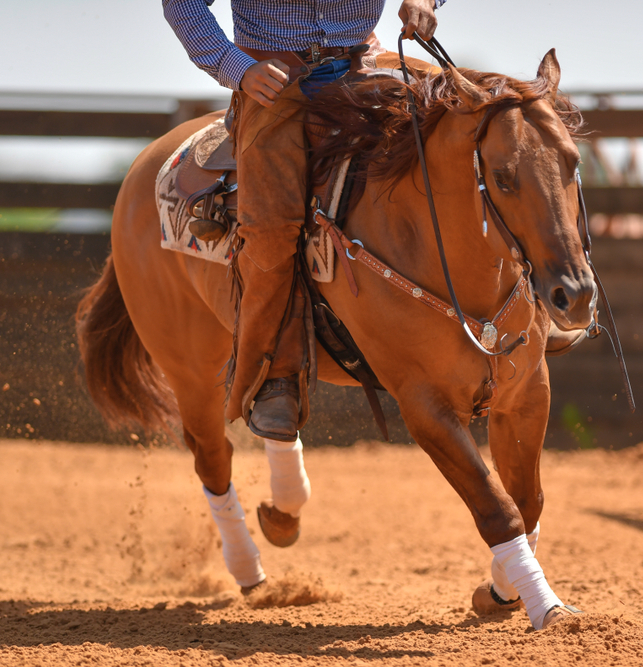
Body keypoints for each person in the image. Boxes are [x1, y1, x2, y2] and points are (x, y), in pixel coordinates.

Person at [164, 0, 444, 442]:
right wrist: (234, 67)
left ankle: (514, 309)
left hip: (364, 64)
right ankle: (275, 373)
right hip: (274, 82)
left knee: (468, 125)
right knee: (271, 227)